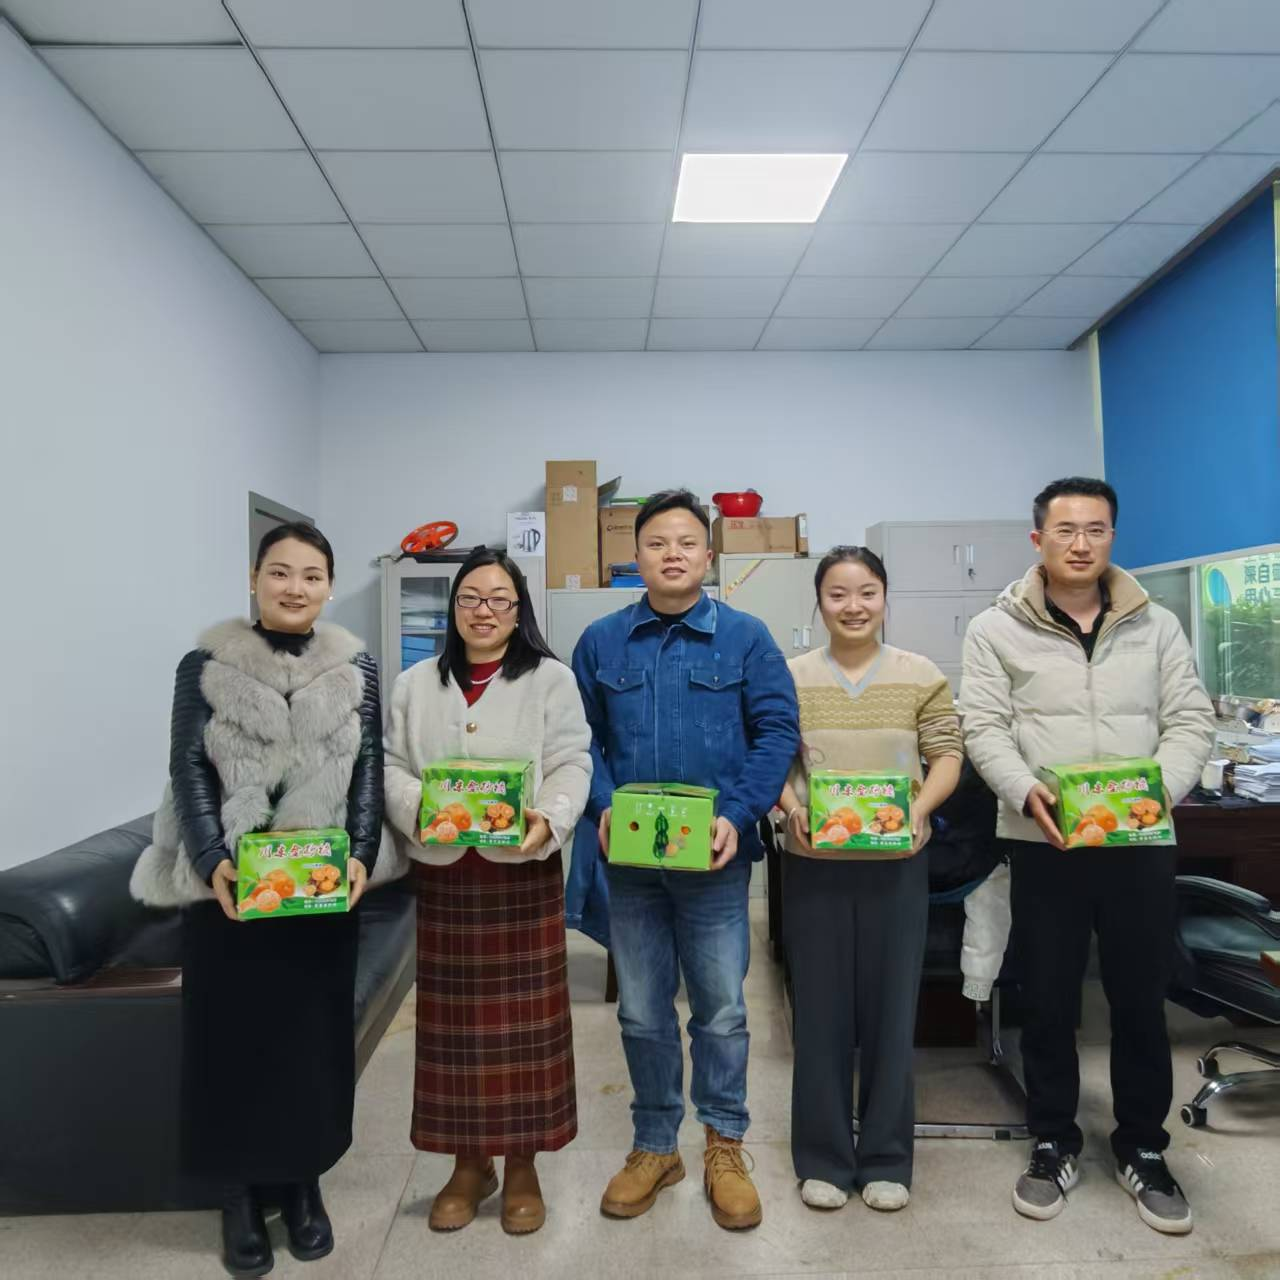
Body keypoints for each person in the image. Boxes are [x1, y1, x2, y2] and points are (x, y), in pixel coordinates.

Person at [130, 522, 384, 1278]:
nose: (294, 587)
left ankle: (302, 1181)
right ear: (254, 577)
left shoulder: (356, 667)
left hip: (318, 885)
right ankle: (237, 1193)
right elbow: (187, 764)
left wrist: (363, 852)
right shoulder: (205, 663)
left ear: (329, 587)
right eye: (280, 572)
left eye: (311, 575)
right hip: (231, 890)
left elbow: (369, 768)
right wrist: (212, 860)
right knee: (232, 1039)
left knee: (311, 1037)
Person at [961, 477, 1215, 1234]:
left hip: (1139, 841)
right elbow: (983, 727)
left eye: (1096, 529)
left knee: (1140, 996)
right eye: (1066, 530)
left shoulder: (1157, 625)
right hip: (1046, 840)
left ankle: (1143, 1146)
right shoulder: (995, 628)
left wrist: (1156, 793)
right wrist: (1022, 790)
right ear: (1037, 539)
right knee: (1047, 997)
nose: (1081, 543)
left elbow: (1190, 718)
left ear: (1112, 536)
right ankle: (1052, 1141)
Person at [571, 489, 799, 1231]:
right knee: (641, 1012)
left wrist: (739, 814)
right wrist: (602, 806)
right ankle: (654, 1146)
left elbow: (777, 731)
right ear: (635, 556)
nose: (672, 554)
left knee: (722, 1012)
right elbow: (579, 739)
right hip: (630, 867)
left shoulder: (747, 638)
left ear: (708, 555)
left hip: (716, 864)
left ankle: (724, 1145)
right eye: (657, 543)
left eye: (686, 542)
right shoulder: (601, 641)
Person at [383, 547, 591, 1236]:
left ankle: (523, 1163)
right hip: (445, 873)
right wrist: (420, 807)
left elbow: (572, 762)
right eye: (470, 597)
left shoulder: (551, 680)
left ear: (518, 610)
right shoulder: (415, 684)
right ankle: (469, 1164)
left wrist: (549, 818)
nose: (484, 611)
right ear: (453, 607)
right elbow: (389, 764)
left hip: (520, 870)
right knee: (455, 1032)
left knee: (525, 1032)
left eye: (500, 599)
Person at [779, 546, 962, 1214]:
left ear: (885, 599)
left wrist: (917, 810)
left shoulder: (919, 675)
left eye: (867, 593)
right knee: (820, 1014)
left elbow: (947, 754)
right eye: (838, 594)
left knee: (891, 1013)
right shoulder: (789, 676)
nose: (853, 607)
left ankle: (887, 1158)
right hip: (814, 867)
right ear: (819, 601)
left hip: (897, 866)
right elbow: (770, 756)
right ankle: (824, 1158)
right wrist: (792, 809)